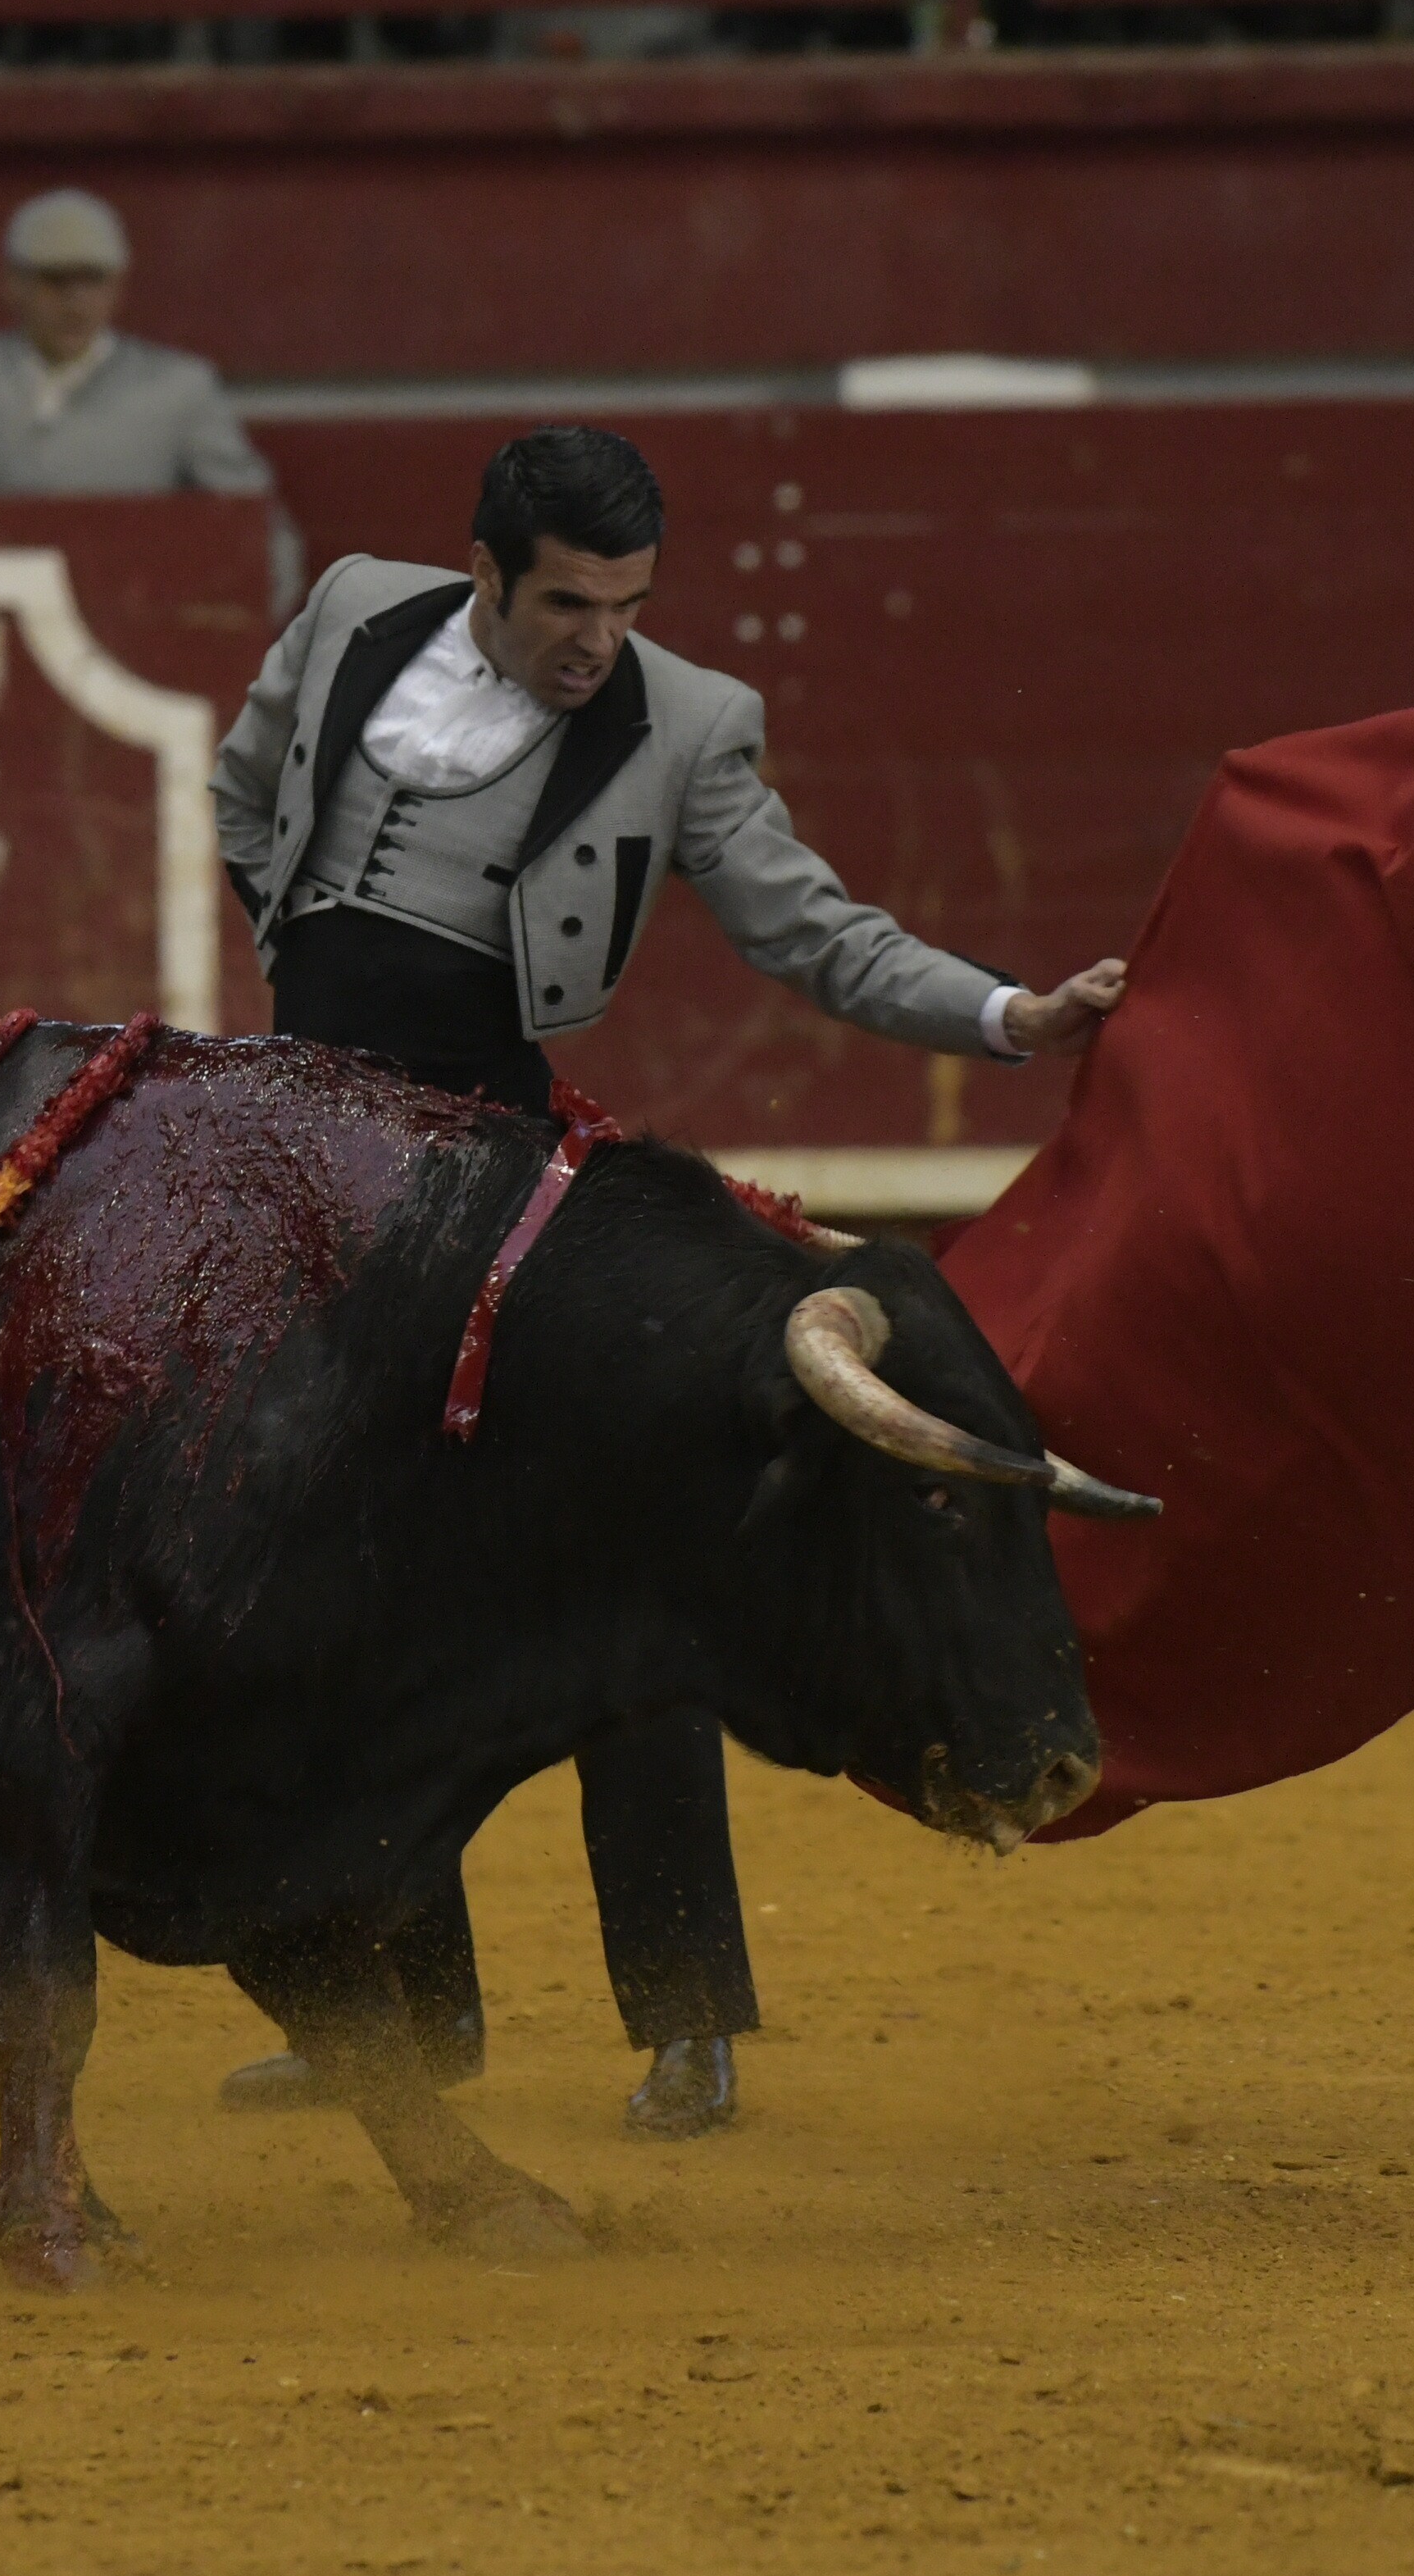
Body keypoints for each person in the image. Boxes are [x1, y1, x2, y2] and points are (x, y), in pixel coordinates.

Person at [211, 425, 1125, 2137]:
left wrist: (1009, 1015)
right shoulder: (349, 610)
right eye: (565, 602)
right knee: (352, 1598)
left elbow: (810, 929)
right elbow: (245, 782)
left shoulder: (682, 724)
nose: (596, 640)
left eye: (627, 603)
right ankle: (419, 2023)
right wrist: (287, 937)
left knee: (623, 1575)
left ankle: (689, 2021)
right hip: (310, 1176)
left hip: (493, 1185)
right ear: (482, 573)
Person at [0, 187, 276, 508]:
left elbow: (257, 530)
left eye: (92, 280)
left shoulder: (179, 391)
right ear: (13, 285)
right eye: (55, 281)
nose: (75, 303)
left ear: (117, 289)